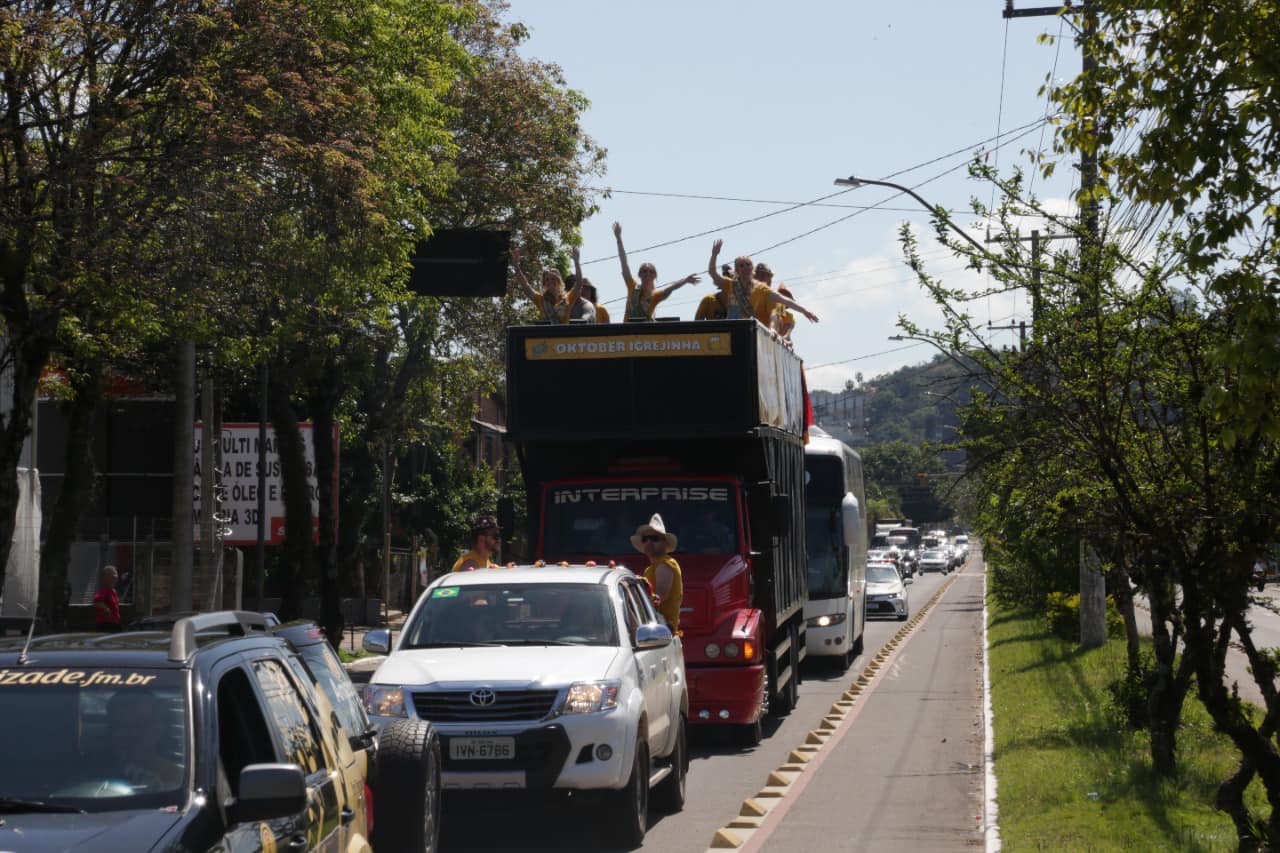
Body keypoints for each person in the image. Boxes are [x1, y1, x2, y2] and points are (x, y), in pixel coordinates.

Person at [702, 240, 820, 327]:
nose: (745, 267)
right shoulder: (731, 284)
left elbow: (783, 299)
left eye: (748, 264)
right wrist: (714, 255)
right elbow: (712, 273)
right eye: (741, 265)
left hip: (746, 329)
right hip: (730, 328)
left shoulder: (760, 288)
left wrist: (804, 311)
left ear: (752, 268)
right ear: (737, 270)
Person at [612, 222, 699, 321]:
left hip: (647, 333)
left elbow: (669, 289)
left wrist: (685, 281)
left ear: (655, 275)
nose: (647, 273)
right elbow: (624, 264)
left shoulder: (655, 296)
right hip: (629, 332)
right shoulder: (632, 287)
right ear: (640, 274)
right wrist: (619, 238)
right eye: (644, 271)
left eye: (650, 271)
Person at [106, 690, 183, 789]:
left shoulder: (175, 778)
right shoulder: (91, 769)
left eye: (138, 725)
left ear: (159, 728)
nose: (130, 734)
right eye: (120, 726)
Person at [630, 513, 683, 632]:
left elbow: (658, 598)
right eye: (645, 539)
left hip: (662, 632)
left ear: (665, 543)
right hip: (655, 629)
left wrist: (631, 598)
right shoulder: (650, 569)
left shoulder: (666, 563)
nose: (649, 542)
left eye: (654, 538)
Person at [512, 246, 582, 324]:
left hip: (563, 335)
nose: (550, 282)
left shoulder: (568, 299)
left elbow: (578, 284)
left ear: (559, 281)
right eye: (547, 280)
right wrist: (516, 266)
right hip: (546, 335)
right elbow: (525, 285)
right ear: (544, 284)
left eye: (553, 279)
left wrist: (576, 262)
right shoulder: (540, 299)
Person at [93, 565, 122, 632]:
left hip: (115, 624)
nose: (116, 580)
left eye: (116, 577)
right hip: (106, 626)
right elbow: (97, 602)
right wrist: (105, 608)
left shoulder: (113, 591)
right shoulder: (105, 590)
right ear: (106, 578)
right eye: (113, 577)